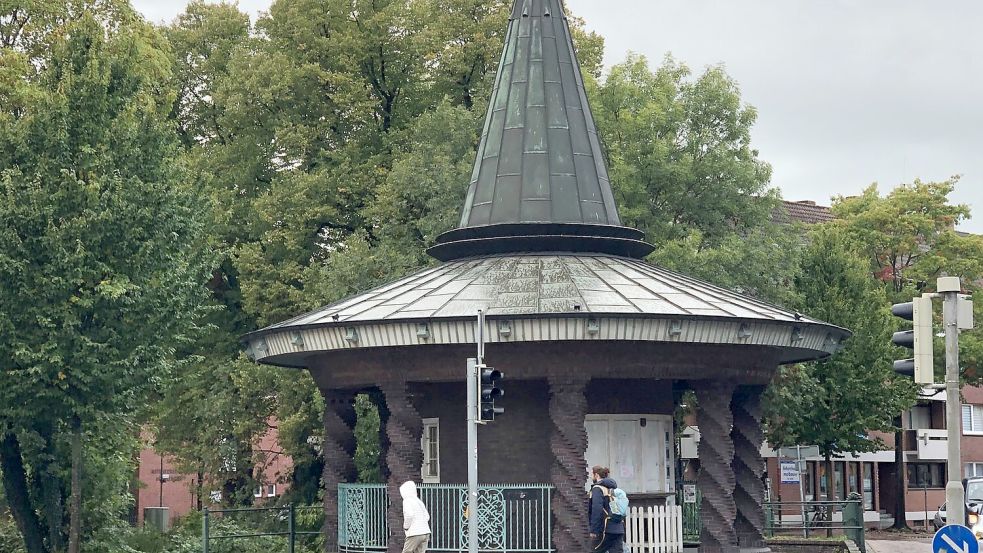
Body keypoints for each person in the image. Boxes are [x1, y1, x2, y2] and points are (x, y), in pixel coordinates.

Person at [587, 466, 625, 553]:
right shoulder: (612, 488)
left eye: (591, 474)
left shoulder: (597, 488)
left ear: (596, 475)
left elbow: (597, 510)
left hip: (605, 528)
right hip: (618, 527)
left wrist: (594, 530)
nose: (590, 477)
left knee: (595, 550)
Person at [399, 480, 431, 553]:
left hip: (414, 533)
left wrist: (406, 527)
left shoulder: (407, 501)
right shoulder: (419, 501)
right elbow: (427, 517)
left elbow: (409, 515)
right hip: (425, 532)